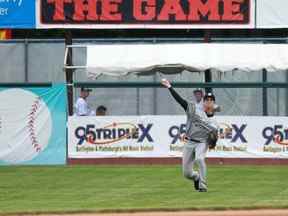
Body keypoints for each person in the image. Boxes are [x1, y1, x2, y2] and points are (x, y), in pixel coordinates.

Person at [161, 78, 219, 192]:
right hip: (189, 141)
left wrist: (213, 142)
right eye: (206, 99)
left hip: (202, 142)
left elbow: (214, 138)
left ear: (213, 103)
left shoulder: (215, 122)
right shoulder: (193, 109)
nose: (208, 101)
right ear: (203, 101)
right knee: (187, 173)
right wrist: (169, 87)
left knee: (200, 159)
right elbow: (180, 101)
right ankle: (196, 178)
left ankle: (203, 185)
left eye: (211, 100)